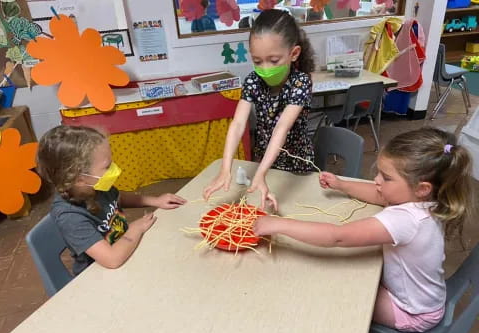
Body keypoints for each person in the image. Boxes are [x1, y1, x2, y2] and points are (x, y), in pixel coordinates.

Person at [254, 127, 473, 333]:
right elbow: (378, 194)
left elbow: (337, 237)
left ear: (422, 188)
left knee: (334, 292)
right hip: (425, 299)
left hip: (413, 313)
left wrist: (277, 224)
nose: (376, 180)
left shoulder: (407, 220)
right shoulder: (429, 200)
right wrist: (342, 185)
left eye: (386, 177)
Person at [203, 9, 315, 210]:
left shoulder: (301, 82)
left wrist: (261, 174)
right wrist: (225, 168)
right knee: (260, 211)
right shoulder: (253, 81)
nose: (265, 68)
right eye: (257, 61)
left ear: (294, 53)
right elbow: (237, 124)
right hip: (263, 161)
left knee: (293, 210)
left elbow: (281, 127)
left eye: (273, 61)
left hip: (295, 167)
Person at [37, 126, 187, 276]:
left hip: (126, 250)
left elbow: (118, 198)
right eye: (107, 166)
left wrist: (155, 201)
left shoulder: (95, 184)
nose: (114, 168)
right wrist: (136, 228)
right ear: (80, 179)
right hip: (99, 275)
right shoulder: (69, 216)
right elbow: (112, 260)